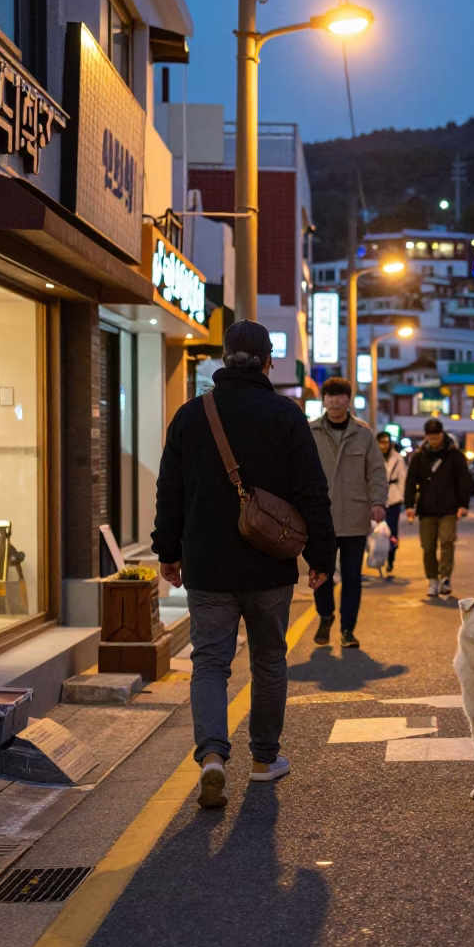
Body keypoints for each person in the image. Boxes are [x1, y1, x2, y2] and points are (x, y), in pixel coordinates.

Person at [152, 321, 336, 810]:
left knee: (210, 662)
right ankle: (263, 759)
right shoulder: (286, 415)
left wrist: (167, 551)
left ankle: (212, 755)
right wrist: (321, 558)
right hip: (269, 564)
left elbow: (169, 490)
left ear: (224, 357)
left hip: (207, 565)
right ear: (268, 361)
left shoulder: (191, 416)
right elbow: (311, 491)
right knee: (269, 660)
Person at [310, 378, 388, 648]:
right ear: (323, 400)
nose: (333, 400)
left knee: (353, 576)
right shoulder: (311, 432)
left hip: (355, 516)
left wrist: (378, 501)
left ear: (348, 399)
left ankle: (347, 629)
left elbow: (377, 471)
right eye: (328, 396)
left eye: (338, 395)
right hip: (320, 519)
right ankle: (325, 615)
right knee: (321, 574)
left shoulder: (364, 434)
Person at [405, 418, 471, 597]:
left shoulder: (454, 455)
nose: (434, 439)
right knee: (428, 546)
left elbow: (464, 480)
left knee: (447, 542)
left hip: (449, 507)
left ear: (442, 434)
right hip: (426, 508)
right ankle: (432, 579)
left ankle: (445, 578)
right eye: (430, 436)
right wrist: (409, 505)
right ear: (426, 436)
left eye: (437, 435)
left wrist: (463, 504)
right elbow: (411, 481)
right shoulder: (419, 456)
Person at [377, 431, 407, 578]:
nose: (384, 445)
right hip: (377, 499)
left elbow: (403, 478)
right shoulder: (372, 457)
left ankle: (390, 559)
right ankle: (377, 559)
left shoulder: (398, 458)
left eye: (386, 442)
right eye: (381, 442)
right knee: (375, 531)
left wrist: (401, 496)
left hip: (394, 498)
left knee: (392, 531)